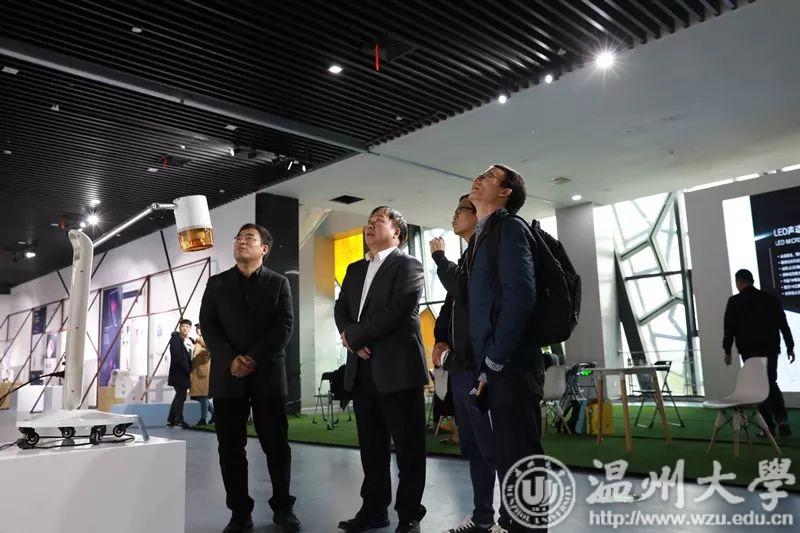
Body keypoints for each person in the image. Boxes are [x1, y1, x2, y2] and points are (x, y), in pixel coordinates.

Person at [200, 223, 301, 533]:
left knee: (277, 445)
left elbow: (284, 326)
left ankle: (283, 508)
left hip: (267, 374)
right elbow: (209, 326)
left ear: (264, 249)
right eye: (238, 238)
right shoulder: (216, 283)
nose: (241, 242)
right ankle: (239, 512)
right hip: (227, 376)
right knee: (230, 448)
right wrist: (231, 359)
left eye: (249, 238)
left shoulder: (279, 283)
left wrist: (253, 358)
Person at [334, 206, 428, 533]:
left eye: (379, 221)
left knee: (408, 448)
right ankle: (374, 510)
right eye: (368, 221)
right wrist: (350, 339)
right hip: (362, 369)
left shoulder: (409, 265)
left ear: (397, 232)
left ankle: (409, 515)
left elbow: (399, 310)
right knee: (371, 449)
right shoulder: (355, 268)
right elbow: (341, 308)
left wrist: (356, 336)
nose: (370, 225)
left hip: (398, 369)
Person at [467, 164, 547, 532]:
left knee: (521, 459)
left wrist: (496, 358)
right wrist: (488, 365)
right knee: (509, 456)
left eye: (489, 176)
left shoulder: (510, 227)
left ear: (505, 192)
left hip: (512, 364)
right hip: (498, 365)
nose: (478, 178)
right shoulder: (485, 234)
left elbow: (521, 295)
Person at [430, 195, 501, 533]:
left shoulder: (486, 253)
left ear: (478, 215)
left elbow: (462, 287)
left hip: (480, 367)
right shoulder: (467, 256)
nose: (454, 216)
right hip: (459, 367)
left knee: (492, 445)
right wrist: (440, 338)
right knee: (472, 446)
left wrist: (438, 258)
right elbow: (450, 305)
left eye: (460, 210)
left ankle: (512, 520)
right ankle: (483, 516)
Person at [723, 268, 795, 437]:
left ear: (739, 282)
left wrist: (727, 351)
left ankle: (768, 427)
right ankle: (782, 420)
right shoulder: (770, 298)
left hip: (749, 351)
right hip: (770, 348)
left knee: (758, 387)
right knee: (771, 382)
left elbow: (729, 329)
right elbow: (783, 323)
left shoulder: (734, 301)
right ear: (752, 281)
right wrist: (790, 346)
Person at [167, 318, 193, 429]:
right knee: (181, 396)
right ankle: (179, 420)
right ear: (179, 328)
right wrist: (187, 370)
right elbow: (177, 356)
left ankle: (171, 420)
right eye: (183, 326)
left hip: (184, 373)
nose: (185, 328)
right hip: (179, 373)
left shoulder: (189, 341)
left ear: (190, 329)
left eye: (187, 327)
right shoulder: (175, 339)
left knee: (179, 395)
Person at [190, 323, 214, 426]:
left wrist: (199, 340)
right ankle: (214, 414)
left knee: (203, 396)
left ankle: (203, 418)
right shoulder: (197, 341)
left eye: (200, 328)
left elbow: (210, 347)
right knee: (201, 397)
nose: (198, 329)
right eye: (197, 328)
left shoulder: (206, 338)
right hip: (196, 373)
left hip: (204, 373)